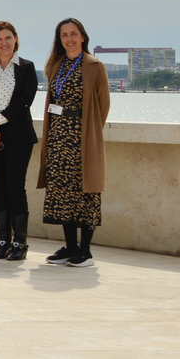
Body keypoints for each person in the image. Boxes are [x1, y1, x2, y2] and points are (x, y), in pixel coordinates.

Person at [39, 18, 109, 268]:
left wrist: (89, 133)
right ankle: (69, 248)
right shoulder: (57, 65)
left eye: (73, 34)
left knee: (85, 193)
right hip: (58, 135)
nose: (69, 39)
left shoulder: (93, 65)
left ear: (83, 37)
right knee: (63, 192)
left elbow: (103, 104)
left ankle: (85, 251)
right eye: (64, 35)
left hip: (82, 137)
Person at [0, 21, 40, 261]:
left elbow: (25, 100)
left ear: (15, 40)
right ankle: (3, 239)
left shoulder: (26, 67)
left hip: (18, 135)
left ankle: (20, 242)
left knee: (15, 186)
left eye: (8, 38)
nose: (4, 43)